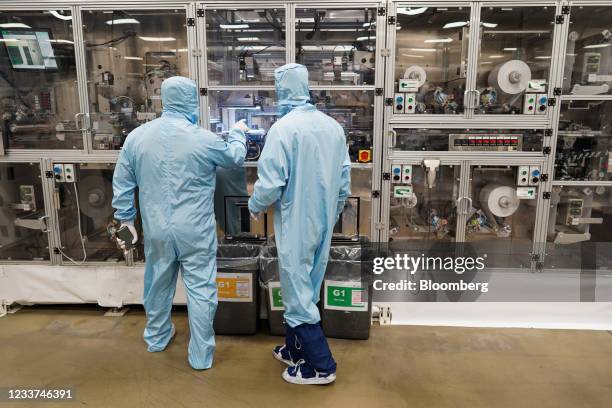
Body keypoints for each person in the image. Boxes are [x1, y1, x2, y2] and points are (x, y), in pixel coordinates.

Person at [112, 76, 247, 370]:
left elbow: (122, 182)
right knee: (201, 290)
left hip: (156, 228)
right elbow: (235, 158)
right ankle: (200, 356)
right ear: (190, 101)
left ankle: (157, 338)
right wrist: (238, 132)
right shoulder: (204, 138)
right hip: (196, 230)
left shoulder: (137, 137)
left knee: (158, 283)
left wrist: (125, 219)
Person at [248, 63, 351, 385]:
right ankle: (296, 349)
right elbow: (345, 178)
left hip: (296, 219)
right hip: (324, 218)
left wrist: (255, 205)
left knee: (296, 289)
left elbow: (270, 182)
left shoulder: (284, 128)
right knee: (307, 283)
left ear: (282, 91)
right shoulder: (332, 126)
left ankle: (321, 365)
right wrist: (333, 211)